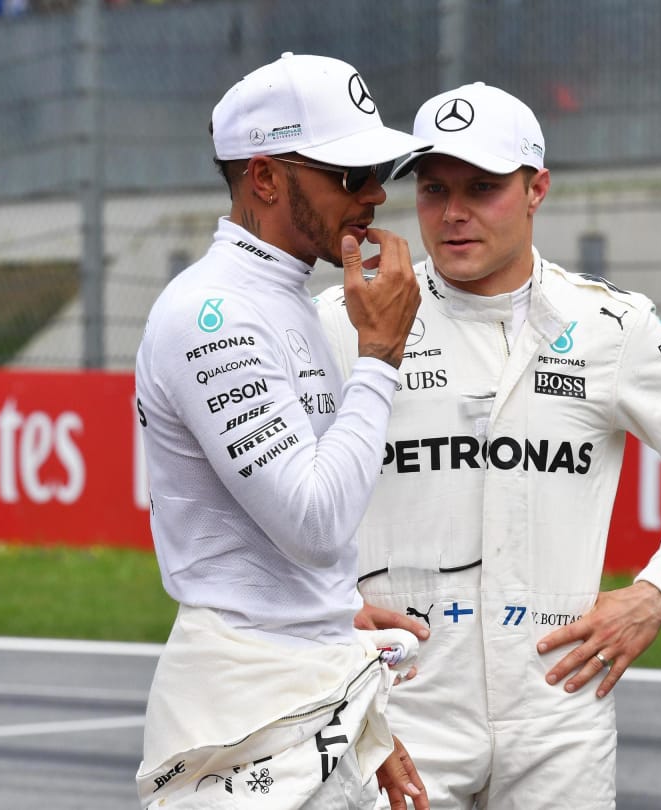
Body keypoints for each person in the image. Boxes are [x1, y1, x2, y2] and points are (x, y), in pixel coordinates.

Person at [315, 83, 661, 809]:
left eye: (484, 188)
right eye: (434, 190)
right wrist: (322, 607)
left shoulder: (611, 325)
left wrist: (656, 596)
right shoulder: (346, 319)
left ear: (537, 189)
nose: (454, 213)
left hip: (560, 707)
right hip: (400, 702)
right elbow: (264, 492)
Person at [133, 52, 435, 809]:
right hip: (243, 712)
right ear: (265, 178)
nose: (374, 193)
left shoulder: (282, 298)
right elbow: (314, 522)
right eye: (348, 173)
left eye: (380, 169)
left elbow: (296, 553)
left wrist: (364, 713)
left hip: (305, 685)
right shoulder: (212, 314)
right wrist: (381, 355)